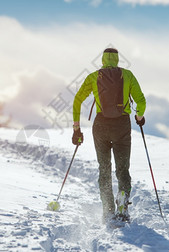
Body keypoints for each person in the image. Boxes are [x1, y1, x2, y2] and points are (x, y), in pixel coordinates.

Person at [72, 47, 146, 223]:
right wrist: (139, 116)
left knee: (104, 168)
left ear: (103, 60)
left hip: (101, 126)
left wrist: (76, 128)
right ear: (117, 59)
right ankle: (123, 201)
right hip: (122, 125)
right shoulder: (127, 75)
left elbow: (77, 100)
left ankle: (108, 209)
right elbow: (141, 101)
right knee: (123, 169)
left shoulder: (93, 77)